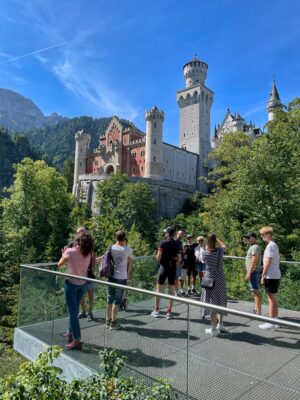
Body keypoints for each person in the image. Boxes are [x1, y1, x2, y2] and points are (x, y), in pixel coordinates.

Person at [58, 231, 94, 350]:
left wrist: (64, 254)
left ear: (79, 240)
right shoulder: (88, 253)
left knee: (73, 313)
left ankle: (76, 340)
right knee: (74, 310)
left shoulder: (70, 251)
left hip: (71, 284)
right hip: (82, 284)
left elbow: (60, 265)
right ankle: (70, 333)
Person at [199, 234, 227, 336]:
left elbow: (201, 259)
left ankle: (213, 328)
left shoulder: (205, 253)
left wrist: (207, 246)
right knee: (220, 299)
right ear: (215, 242)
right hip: (220, 278)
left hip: (209, 279)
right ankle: (220, 324)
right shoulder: (220, 252)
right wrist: (218, 240)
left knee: (211, 302)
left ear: (207, 242)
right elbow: (224, 246)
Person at [67, 227, 96, 322]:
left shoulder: (89, 243)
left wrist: (92, 268)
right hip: (77, 274)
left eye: (81, 232)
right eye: (77, 233)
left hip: (89, 273)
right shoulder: (72, 244)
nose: (79, 234)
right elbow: (68, 256)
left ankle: (90, 312)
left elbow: (93, 257)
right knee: (80, 294)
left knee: (90, 292)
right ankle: (83, 310)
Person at [151, 226, 180, 319]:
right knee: (171, 290)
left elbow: (158, 257)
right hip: (172, 268)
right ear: (174, 234)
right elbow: (179, 259)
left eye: (165, 232)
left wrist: (157, 259)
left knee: (159, 289)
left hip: (163, 267)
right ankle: (169, 312)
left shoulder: (162, 242)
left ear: (167, 233)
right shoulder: (177, 244)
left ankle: (156, 310)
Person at [106, 230, 132, 330]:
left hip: (111, 277)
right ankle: (113, 322)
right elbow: (130, 263)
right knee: (117, 301)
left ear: (116, 238)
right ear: (124, 238)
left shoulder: (111, 248)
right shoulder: (128, 249)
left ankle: (107, 321)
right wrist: (128, 275)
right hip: (122, 278)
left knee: (109, 299)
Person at [258, 226, 281, 331]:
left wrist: (263, 275)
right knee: (273, 297)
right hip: (274, 274)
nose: (261, 236)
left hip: (270, 275)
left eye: (262, 234)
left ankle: (271, 322)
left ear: (267, 234)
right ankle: (275, 320)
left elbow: (267, 262)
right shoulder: (273, 245)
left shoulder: (270, 246)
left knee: (270, 298)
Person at [243, 232, 262, 315]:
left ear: (253, 238)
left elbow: (254, 260)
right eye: (246, 238)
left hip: (253, 272)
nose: (247, 239)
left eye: (248, 238)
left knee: (256, 291)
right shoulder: (253, 247)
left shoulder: (255, 247)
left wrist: (249, 273)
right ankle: (256, 309)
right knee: (254, 291)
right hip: (253, 272)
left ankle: (258, 312)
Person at [175, 229, 185, 296]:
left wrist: (182, 260)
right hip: (176, 262)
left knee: (177, 277)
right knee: (175, 277)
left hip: (180, 262)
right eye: (179, 234)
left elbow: (181, 252)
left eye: (182, 234)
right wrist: (176, 260)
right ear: (177, 234)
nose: (181, 235)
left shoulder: (180, 242)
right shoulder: (175, 242)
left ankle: (176, 291)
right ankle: (176, 291)